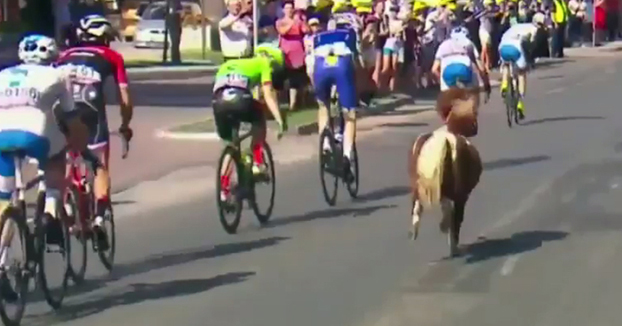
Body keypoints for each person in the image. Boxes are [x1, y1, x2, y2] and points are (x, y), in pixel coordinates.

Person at [0, 35, 90, 301]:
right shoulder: (58, 75)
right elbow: (71, 118)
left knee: (5, 199)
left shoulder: (3, 74)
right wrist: (81, 146)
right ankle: (51, 209)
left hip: (1, 136)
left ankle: (2, 259)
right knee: (56, 158)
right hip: (34, 135)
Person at [56, 14, 133, 250]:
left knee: (65, 158)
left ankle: (64, 199)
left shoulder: (63, 57)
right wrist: (125, 124)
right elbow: (125, 98)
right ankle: (99, 217)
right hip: (91, 112)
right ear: (104, 38)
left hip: (63, 111)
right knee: (99, 167)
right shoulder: (112, 57)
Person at [212, 43, 286, 202]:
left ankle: (224, 191)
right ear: (270, 59)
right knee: (259, 119)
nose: (273, 71)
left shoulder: (229, 64)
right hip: (240, 100)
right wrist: (280, 120)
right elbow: (268, 95)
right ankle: (258, 162)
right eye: (274, 67)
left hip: (218, 102)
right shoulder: (263, 63)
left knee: (231, 145)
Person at [312, 26, 358, 181]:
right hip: (342, 64)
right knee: (349, 114)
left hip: (320, 66)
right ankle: (346, 156)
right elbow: (357, 62)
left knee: (323, 106)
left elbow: (312, 64)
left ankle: (325, 146)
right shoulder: (349, 33)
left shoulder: (319, 35)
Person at [498, 12, 545, 119]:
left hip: (503, 46)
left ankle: (504, 85)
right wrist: (530, 61)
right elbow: (531, 46)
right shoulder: (534, 30)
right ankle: (520, 104)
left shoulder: (517, 26)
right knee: (521, 74)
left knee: (506, 65)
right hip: (516, 48)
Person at [432, 26, 491, 100]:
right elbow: (481, 68)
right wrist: (486, 84)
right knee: (473, 94)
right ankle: (472, 108)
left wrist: (441, 80)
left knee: (447, 102)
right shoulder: (468, 43)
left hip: (447, 75)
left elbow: (434, 70)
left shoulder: (443, 45)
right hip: (465, 72)